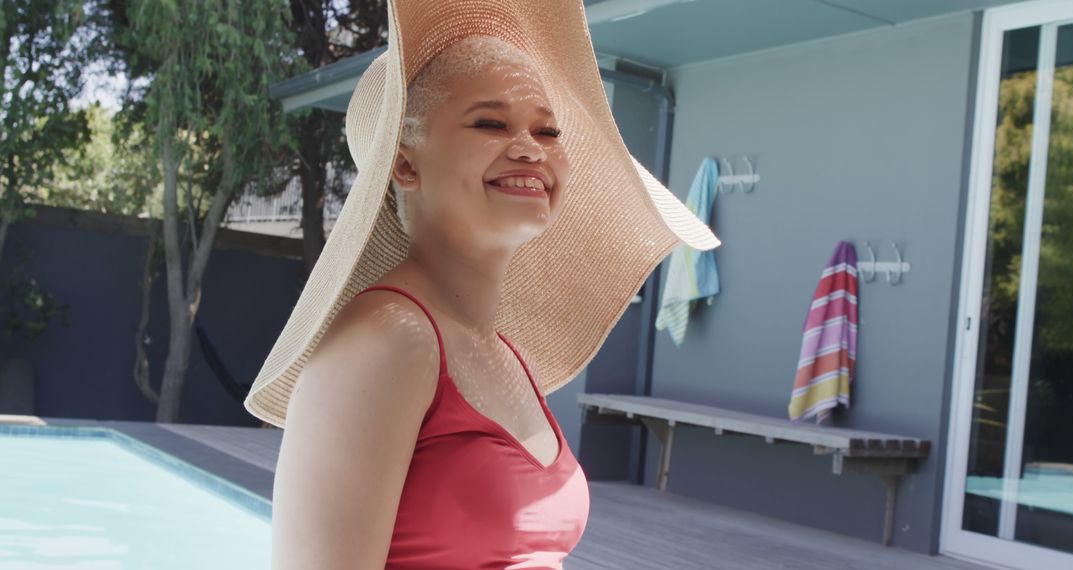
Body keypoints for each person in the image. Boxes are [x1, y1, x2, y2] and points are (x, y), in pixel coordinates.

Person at [243, 1, 721, 568]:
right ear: (405, 165)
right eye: (491, 123)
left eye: (547, 129)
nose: (530, 148)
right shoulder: (388, 341)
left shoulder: (506, 355)